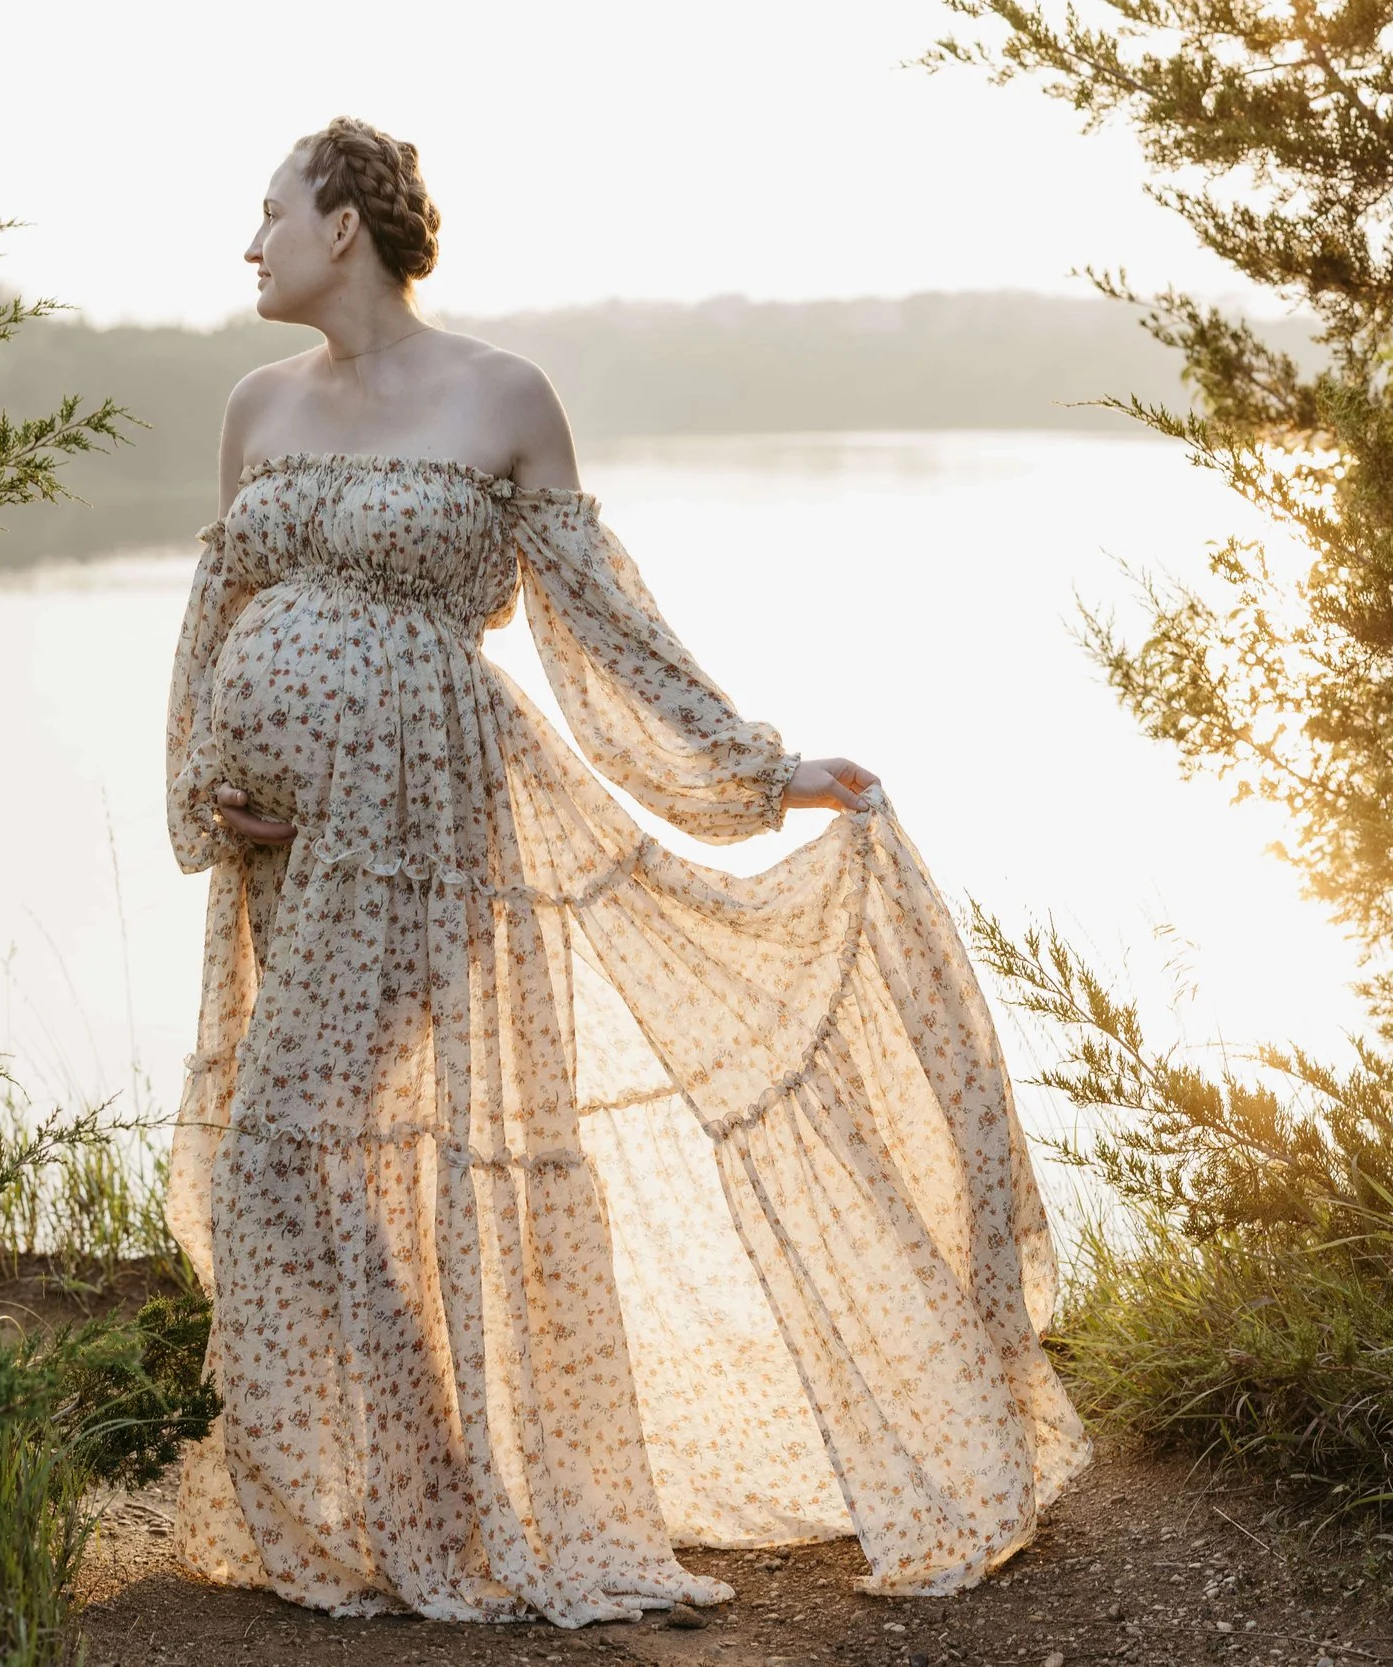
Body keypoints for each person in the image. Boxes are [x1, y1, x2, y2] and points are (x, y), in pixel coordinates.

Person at [163, 116, 1087, 1629]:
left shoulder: (500, 397)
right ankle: (414, 1501)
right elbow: (220, 608)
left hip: (420, 816)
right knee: (328, 1156)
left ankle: (435, 1509)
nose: (245, 242)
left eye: (266, 212)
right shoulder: (255, 406)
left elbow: (595, 617)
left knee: (281, 1150)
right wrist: (207, 774)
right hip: (286, 843)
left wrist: (753, 763)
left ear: (345, 225)